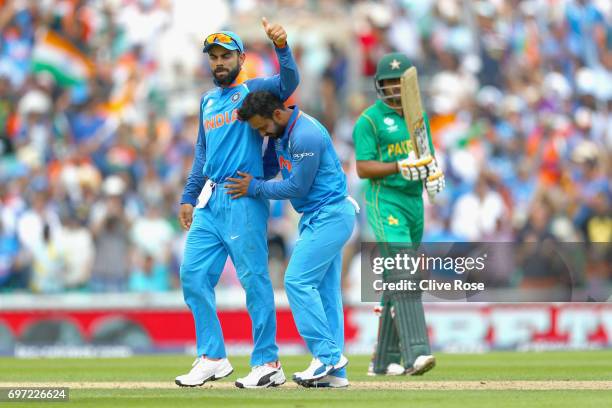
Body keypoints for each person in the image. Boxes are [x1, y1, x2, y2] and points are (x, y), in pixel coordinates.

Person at [175, 19, 299, 389]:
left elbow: (289, 83)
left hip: (242, 196)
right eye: (213, 57)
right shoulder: (207, 100)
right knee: (193, 276)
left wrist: (281, 47)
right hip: (210, 200)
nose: (218, 63)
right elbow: (202, 151)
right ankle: (212, 356)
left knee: (254, 281)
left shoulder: (252, 90)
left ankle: (268, 361)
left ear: (241, 58)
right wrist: (187, 196)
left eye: (225, 56)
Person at [227, 91, 356, 388]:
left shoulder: (306, 134)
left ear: (278, 114)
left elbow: (297, 186)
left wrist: (254, 188)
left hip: (330, 216)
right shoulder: (283, 131)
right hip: (318, 217)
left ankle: (327, 356)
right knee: (326, 294)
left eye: (262, 127)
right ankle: (335, 374)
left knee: (296, 280)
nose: (263, 134)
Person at [352, 52, 444, 376]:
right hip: (385, 199)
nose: (393, 89)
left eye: (398, 83)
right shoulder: (369, 120)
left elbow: (427, 156)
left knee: (398, 275)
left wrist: (432, 177)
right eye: (387, 83)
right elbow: (363, 168)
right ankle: (415, 353)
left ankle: (383, 360)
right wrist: (397, 166)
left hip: (413, 202)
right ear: (379, 86)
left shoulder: (418, 119)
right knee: (404, 269)